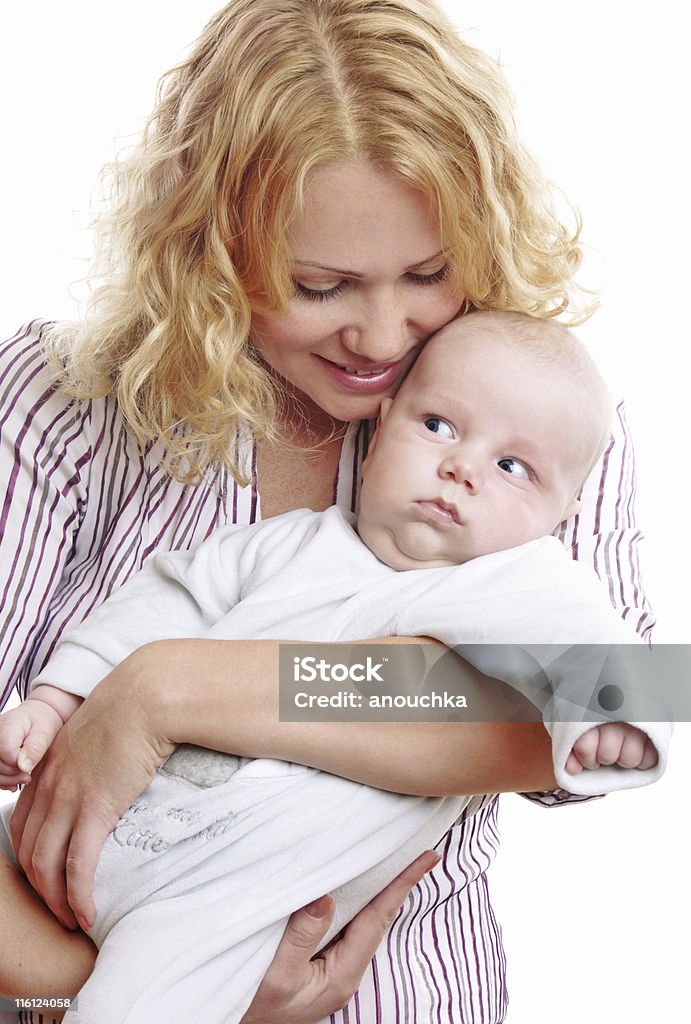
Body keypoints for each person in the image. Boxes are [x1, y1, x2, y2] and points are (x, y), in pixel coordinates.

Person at [0, 2, 654, 1022]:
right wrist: (179, 981)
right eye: (319, 284)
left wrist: (174, 685)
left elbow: (552, 723)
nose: (382, 334)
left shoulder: (537, 418)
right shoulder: (60, 401)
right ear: (207, 248)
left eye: (429, 274)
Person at [0, 312, 666, 1022]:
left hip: (232, 896)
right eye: (437, 426)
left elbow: (621, 661)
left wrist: (607, 711)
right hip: (89, 838)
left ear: (561, 515)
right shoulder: (279, 546)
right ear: (379, 430)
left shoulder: (519, 582)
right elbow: (158, 604)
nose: (461, 469)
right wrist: (55, 699)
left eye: (510, 468)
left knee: (147, 991)